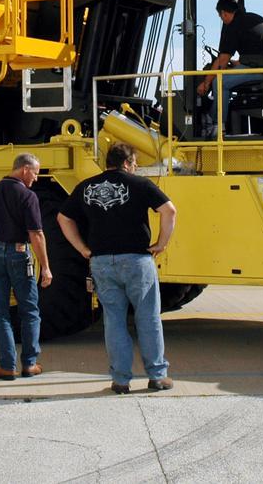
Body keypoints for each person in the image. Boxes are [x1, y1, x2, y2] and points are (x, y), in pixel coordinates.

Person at [59, 142, 178, 394]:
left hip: (101, 262)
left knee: (114, 321)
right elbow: (169, 210)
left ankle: (121, 380)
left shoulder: (86, 186)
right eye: (134, 164)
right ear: (126, 163)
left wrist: (82, 248)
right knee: (148, 318)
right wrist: (161, 243)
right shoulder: (140, 185)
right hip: (137, 260)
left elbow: (63, 217)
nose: (135, 168)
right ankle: (157, 376)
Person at [0, 152, 53, 379]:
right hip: (20, 253)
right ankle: (29, 364)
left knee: (0, 312)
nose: (36, 179)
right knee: (29, 311)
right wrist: (46, 266)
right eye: (35, 173)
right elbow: (36, 234)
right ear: (25, 170)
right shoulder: (27, 196)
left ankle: (6, 365)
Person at [196, 0, 263, 133]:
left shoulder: (233, 25)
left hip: (259, 71)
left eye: (221, 17)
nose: (222, 20)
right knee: (227, 76)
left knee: (219, 82)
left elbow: (222, 61)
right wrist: (239, 63)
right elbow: (257, 49)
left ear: (224, 14)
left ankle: (216, 125)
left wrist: (206, 82)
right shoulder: (252, 18)